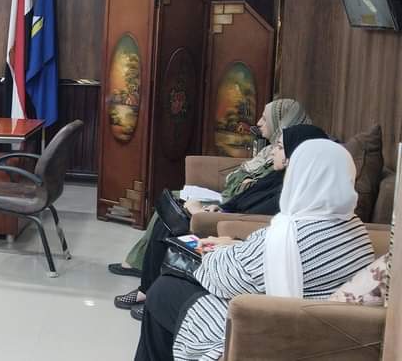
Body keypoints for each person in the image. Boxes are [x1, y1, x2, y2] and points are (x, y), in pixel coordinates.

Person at [135, 139, 375, 360]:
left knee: (163, 290)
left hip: (268, 324)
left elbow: (225, 279)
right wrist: (236, 246)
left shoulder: (291, 234)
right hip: (315, 322)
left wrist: (216, 250)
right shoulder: (355, 228)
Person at [117, 124, 329, 320]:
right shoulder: (277, 177)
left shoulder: (291, 191)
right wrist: (221, 209)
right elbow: (243, 202)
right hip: (227, 218)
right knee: (168, 216)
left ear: (296, 154)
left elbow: (257, 217)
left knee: (169, 225)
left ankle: (150, 293)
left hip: (235, 237)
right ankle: (147, 289)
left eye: (280, 147)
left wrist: (202, 213)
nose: (273, 151)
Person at [109, 99, 311, 280]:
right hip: (228, 204)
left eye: (265, 119)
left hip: (230, 210)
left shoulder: (281, 171)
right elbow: (240, 184)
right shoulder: (270, 152)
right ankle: (143, 265)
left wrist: (216, 207)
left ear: (280, 123)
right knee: (168, 204)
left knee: (171, 210)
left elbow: (249, 199)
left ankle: (143, 268)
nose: (258, 123)